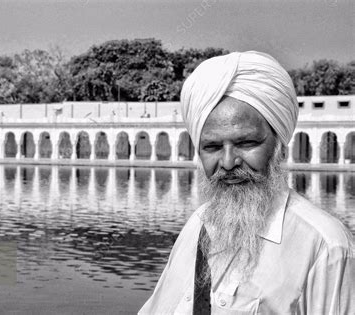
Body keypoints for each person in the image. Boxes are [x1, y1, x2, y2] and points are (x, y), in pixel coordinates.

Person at [138, 51, 354, 314]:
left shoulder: (325, 246)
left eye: (247, 143)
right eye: (213, 146)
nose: (228, 162)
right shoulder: (198, 224)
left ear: (279, 147)